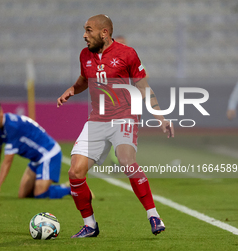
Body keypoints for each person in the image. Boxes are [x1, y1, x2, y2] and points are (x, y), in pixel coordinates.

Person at [57, 14, 174, 238]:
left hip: (124, 117)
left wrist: (161, 117)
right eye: (84, 30)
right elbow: (84, 79)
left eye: (89, 30)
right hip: (97, 120)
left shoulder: (127, 54)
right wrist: (72, 89)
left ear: (104, 33)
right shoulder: (85, 55)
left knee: (126, 160)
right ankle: (90, 225)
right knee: (75, 172)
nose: (84, 35)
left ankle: (153, 215)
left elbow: (143, 87)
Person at [0, 100, 71, 200]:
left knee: (39, 194)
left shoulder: (11, 126)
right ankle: (45, 187)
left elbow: (7, 161)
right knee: (23, 195)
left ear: (0, 112)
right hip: (36, 159)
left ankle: (70, 190)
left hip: (49, 154)